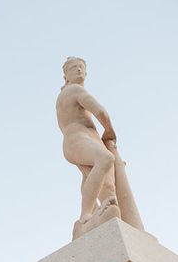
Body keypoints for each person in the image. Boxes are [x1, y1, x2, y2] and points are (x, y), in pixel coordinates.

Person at [56, 57, 131, 239]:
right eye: (74, 68)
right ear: (65, 76)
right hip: (76, 139)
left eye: (81, 67)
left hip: (81, 139)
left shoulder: (69, 92)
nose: (79, 70)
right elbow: (100, 111)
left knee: (95, 177)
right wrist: (109, 131)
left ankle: (96, 210)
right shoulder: (74, 90)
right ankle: (85, 215)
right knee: (105, 159)